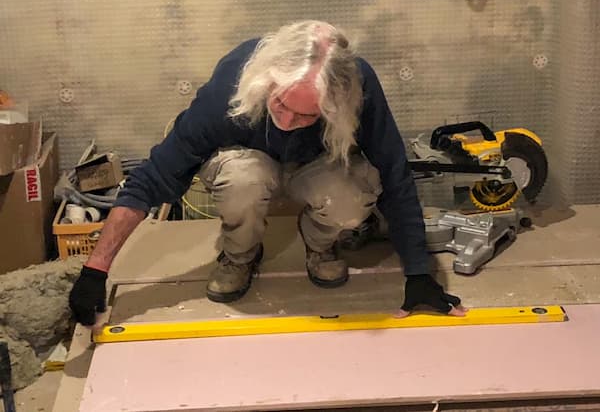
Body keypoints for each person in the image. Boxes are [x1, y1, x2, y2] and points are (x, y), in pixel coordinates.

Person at [68, 20, 466, 326]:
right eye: (281, 105)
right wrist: (96, 269)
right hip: (250, 163)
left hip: (317, 165)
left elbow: (395, 173)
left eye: (306, 114)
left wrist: (419, 275)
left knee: (351, 194)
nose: (290, 120)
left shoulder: (358, 88)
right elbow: (151, 178)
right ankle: (240, 256)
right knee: (244, 181)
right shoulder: (231, 86)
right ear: (266, 80)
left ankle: (321, 245)